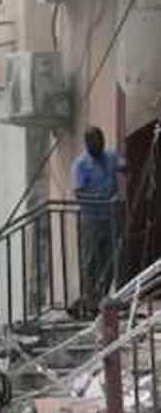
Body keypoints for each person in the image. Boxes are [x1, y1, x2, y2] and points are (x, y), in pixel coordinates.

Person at [71, 126, 123, 303]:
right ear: (87, 144)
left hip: (109, 218)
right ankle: (89, 296)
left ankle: (104, 295)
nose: (99, 147)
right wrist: (100, 199)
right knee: (90, 260)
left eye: (101, 142)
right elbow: (78, 193)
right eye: (95, 144)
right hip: (91, 219)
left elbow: (123, 165)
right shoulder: (81, 164)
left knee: (109, 258)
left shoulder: (110, 156)